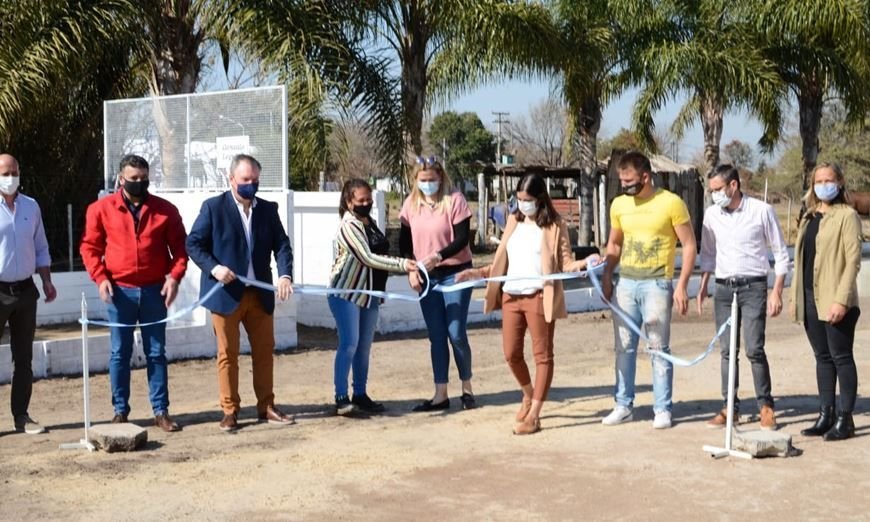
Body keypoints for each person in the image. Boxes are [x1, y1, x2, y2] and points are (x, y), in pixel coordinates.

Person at [455, 173, 598, 435]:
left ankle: (534, 415)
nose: (523, 204)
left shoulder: (555, 225)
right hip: (511, 296)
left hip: (538, 296)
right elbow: (503, 262)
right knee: (511, 354)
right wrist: (477, 273)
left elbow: (565, 263)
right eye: (519, 199)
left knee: (543, 356)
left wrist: (585, 263)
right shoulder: (513, 221)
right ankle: (529, 394)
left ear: (541, 199)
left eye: (528, 200)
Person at [186, 154, 295, 432]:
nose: (251, 185)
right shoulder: (213, 208)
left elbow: (282, 245)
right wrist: (215, 269)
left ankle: (266, 406)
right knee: (227, 355)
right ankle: (230, 410)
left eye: (255, 180)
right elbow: (194, 244)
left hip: (259, 295)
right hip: (225, 295)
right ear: (231, 178)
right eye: (246, 180)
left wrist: (284, 274)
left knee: (264, 352)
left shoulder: (268, 210)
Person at [81, 154, 187, 432]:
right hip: (119, 293)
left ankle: (161, 411)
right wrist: (100, 278)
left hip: (155, 292)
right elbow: (89, 248)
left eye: (143, 178)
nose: (139, 183)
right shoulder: (100, 209)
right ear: (120, 179)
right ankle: (120, 411)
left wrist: (174, 278)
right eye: (133, 179)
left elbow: (180, 251)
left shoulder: (166, 210)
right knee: (119, 353)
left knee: (156, 353)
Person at [600, 151, 697, 429]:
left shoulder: (671, 203)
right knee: (624, 347)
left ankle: (662, 408)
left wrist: (682, 285)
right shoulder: (619, 205)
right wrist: (608, 274)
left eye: (630, 180)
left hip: (657, 285)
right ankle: (623, 404)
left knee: (658, 347)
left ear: (646, 176)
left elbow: (689, 245)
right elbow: (615, 244)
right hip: (626, 285)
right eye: (622, 181)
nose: (625, 185)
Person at [697, 164, 790, 431]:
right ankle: (730, 408)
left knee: (754, 349)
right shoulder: (712, 215)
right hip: (724, 289)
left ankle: (766, 407)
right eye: (711, 190)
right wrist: (704, 285)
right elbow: (709, 254)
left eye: (717, 189)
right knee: (728, 351)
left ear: (733, 186)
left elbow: (781, 254)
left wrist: (777, 291)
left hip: (753, 288)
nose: (714, 195)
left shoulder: (762, 211)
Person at [328, 179, 417, 416]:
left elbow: (379, 258)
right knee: (349, 344)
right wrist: (403, 264)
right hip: (347, 293)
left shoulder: (370, 223)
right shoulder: (349, 226)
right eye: (361, 200)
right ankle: (340, 397)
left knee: (363, 347)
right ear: (349, 202)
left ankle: (360, 394)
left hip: (370, 294)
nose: (366, 203)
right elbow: (367, 258)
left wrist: (381, 290)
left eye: (368, 199)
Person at [792, 162, 862, 441]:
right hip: (810, 296)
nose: (824, 185)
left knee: (841, 357)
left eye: (829, 180)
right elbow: (803, 259)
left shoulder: (847, 216)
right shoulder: (809, 216)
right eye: (818, 181)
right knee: (822, 358)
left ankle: (846, 419)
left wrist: (842, 300)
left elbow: (853, 260)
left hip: (835, 298)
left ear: (840, 182)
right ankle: (826, 414)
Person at [399, 156, 476, 412]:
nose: (428, 184)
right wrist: (411, 268)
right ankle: (440, 393)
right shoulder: (410, 204)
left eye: (432, 180)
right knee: (436, 336)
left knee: (456, 333)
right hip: (426, 277)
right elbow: (404, 242)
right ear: (416, 181)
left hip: (455, 273)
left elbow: (463, 238)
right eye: (423, 181)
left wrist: (439, 256)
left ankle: (467, 388)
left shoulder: (455, 200)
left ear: (440, 178)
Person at [0, 154, 56, 435]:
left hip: (25, 290)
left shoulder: (31, 207)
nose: (10, 178)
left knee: (23, 359)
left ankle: (21, 416)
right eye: (5, 173)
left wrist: (46, 281)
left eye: (14, 172)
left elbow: (41, 246)